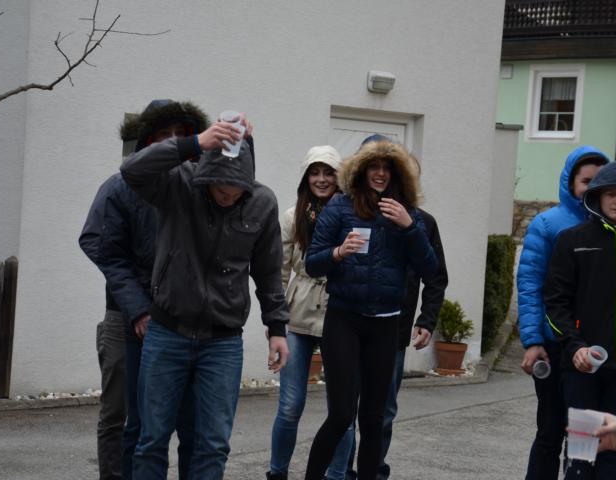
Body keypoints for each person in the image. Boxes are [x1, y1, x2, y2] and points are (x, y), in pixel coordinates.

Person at [120, 116, 290, 480]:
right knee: (151, 440)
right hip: (167, 333)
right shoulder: (179, 184)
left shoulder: (263, 202)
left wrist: (277, 327)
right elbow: (131, 170)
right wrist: (195, 143)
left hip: (223, 342)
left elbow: (268, 270)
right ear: (206, 177)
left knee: (213, 445)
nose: (229, 199)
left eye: (236, 193)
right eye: (221, 192)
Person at [79, 99, 209, 479]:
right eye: (163, 135)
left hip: (180, 321)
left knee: (179, 421)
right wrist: (138, 307)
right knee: (121, 416)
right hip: (125, 317)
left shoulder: (198, 184)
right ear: (146, 141)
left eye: (180, 135)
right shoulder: (120, 186)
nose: (172, 141)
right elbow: (98, 244)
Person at [303, 137, 437, 480]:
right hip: (344, 320)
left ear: (397, 174)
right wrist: (338, 253)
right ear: (361, 171)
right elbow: (312, 264)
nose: (380, 173)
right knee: (341, 414)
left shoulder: (408, 213)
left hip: (385, 323)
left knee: (374, 419)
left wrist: (409, 227)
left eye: (386, 168)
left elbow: (430, 268)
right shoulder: (340, 207)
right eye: (373, 167)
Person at [544, 161, 616, 479]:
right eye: (611, 194)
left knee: (613, 453)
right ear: (597, 197)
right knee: (582, 451)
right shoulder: (572, 240)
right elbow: (555, 303)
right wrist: (574, 346)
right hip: (583, 368)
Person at [516, 146, 609, 479]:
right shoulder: (547, 224)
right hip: (556, 345)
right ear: (570, 183)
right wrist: (532, 341)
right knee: (550, 431)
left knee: (585, 436)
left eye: (600, 181)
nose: (592, 188)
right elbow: (530, 284)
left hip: (595, 348)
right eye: (586, 181)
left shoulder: (614, 227)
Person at [266, 145, 354, 480]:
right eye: (314, 172)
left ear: (339, 177)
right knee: (290, 405)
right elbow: (279, 270)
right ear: (305, 177)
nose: (321, 179)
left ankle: (336, 475)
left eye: (329, 172)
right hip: (298, 315)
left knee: (342, 411)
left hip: (340, 314)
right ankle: (277, 472)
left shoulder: (352, 213)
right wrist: (275, 319)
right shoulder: (293, 216)